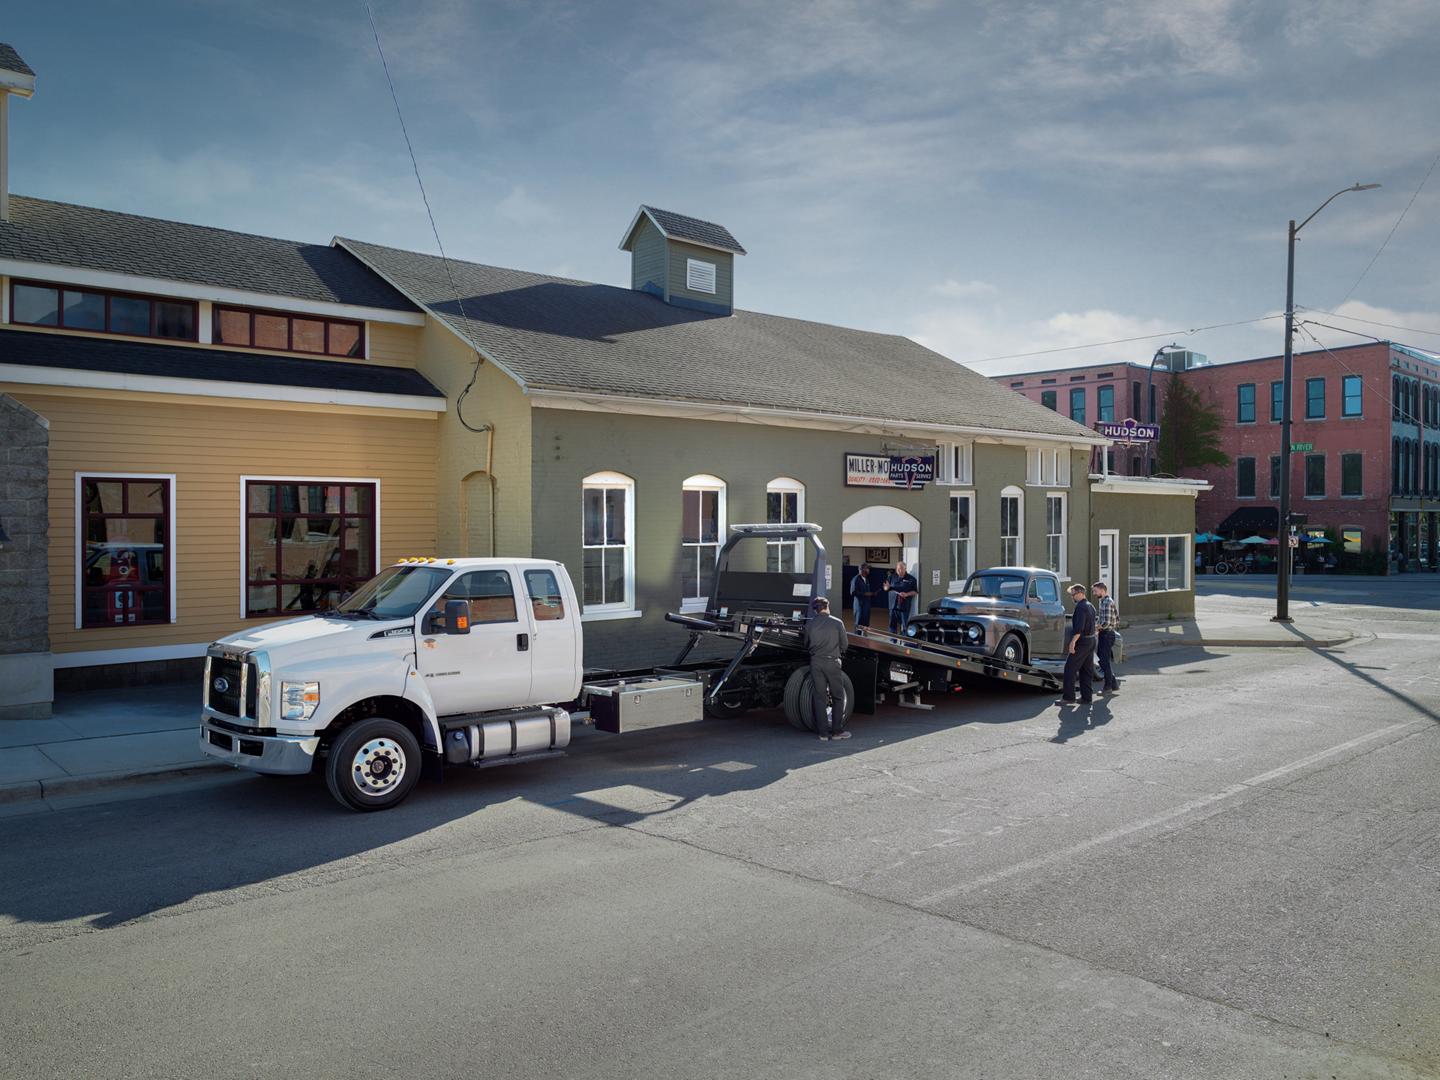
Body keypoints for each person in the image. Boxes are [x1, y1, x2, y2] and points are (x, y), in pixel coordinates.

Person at [803, 597, 851, 741]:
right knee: (838, 696)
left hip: (816, 662)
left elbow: (806, 644)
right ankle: (837, 731)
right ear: (827, 606)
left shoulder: (810, 624)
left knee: (819, 698)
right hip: (832, 662)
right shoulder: (837, 623)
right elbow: (844, 645)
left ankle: (823, 733)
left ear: (815, 610)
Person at [1059, 583, 1096, 705]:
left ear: (1080, 593)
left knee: (1070, 668)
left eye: (1073, 594)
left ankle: (1069, 697)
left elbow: (1079, 628)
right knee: (1086, 669)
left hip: (1082, 641)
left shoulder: (1080, 607)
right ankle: (1087, 697)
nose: (1072, 597)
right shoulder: (1090, 606)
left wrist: (1072, 643)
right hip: (1091, 640)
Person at [1092, 581, 1120, 694]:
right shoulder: (1102, 601)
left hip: (1107, 634)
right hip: (1105, 633)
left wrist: (1096, 628)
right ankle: (1114, 684)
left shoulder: (1107, 602)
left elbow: (1107, 622)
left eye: (1095, 591)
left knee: (1104, 661)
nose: (1094, 593)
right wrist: (1097, 627)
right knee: (1102, 660)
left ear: (1102, 590)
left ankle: (1108, 687)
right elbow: (1102, 619)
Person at [885, 561, 919, 634]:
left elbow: (915, 591)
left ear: (905, 568)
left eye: (901, 569)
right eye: (898, 569)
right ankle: (892, 639)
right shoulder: (891, 577)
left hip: (904, 605)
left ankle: (904, 638)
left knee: (905, 624)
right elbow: (886, 588)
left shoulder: (911, 579)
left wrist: (907, 594)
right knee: (892, 625)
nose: (900, 571)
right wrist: (886, 588)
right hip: (893, 605)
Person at [850, 563, 877, 628]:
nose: (869, 570)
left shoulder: (866, 579)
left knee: (865, 625)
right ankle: (857, 635)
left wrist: (872, 594)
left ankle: (863, 635)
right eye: (867, 568)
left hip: (866, 606)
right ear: (862, 569)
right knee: (859, 625)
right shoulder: (856, 579)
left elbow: (866, 592)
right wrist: (865, 594)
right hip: (859, 606)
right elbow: (852, 592)